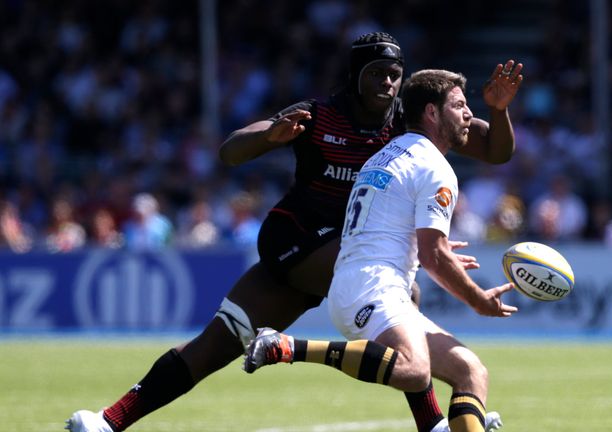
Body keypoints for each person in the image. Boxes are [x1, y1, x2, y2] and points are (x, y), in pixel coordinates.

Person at [66, 32, 523, 432]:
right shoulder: (317, 115)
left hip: (346, 252)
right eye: (378, 72)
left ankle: (108, 420)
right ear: (355, 75)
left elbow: (493, 149)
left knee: (215, 346)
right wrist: (270, 137)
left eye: (396, 72)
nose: (388, 81)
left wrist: (498, 110)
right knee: (402, 297)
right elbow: (230, 152)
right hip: (296, 242)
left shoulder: (406, 122)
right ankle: (432, 424)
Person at [244, 69, 518, 432]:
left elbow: (392, 226)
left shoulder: (386, 156)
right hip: (372, 285)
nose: (469, 114)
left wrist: (415, 245)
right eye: (459, 105)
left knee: (470, 371)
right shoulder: (435, 167)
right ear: (432, 113)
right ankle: (287, 346)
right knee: (413, 369)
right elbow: (433, 257)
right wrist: (479, 300)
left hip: (362, 279)